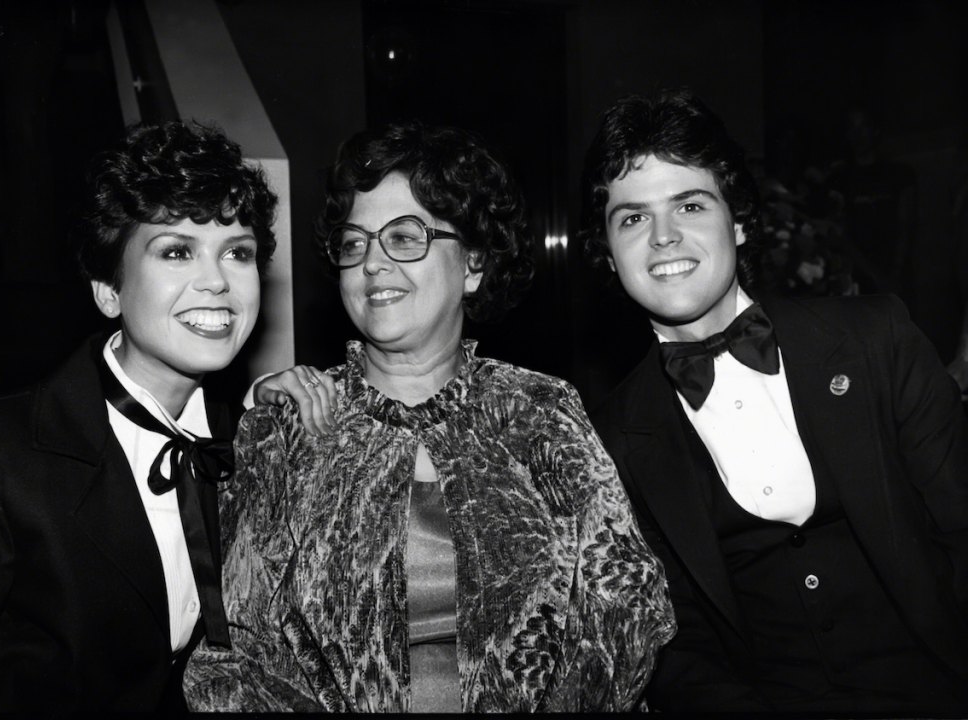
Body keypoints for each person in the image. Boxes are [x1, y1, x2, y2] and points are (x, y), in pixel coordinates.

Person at [183, 121, 675, 713]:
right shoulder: (288, 424)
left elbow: (626, 605)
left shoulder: (540, 412)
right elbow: (234, 654)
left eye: (405, 236)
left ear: (471, 263)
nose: (373, 263)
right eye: (355, 243)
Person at [580, 89, 968, 713]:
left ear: (736, 221)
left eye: (689, 204)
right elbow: (673, 646)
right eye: (632, 217)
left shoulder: (876, 341)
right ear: (607, 251)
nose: (663, 237)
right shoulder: (613, 437)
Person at [0, 121, 277, 711]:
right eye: (177, 251)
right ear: (108, 290)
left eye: (238, 253)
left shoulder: (254, 440)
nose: (217, 282)